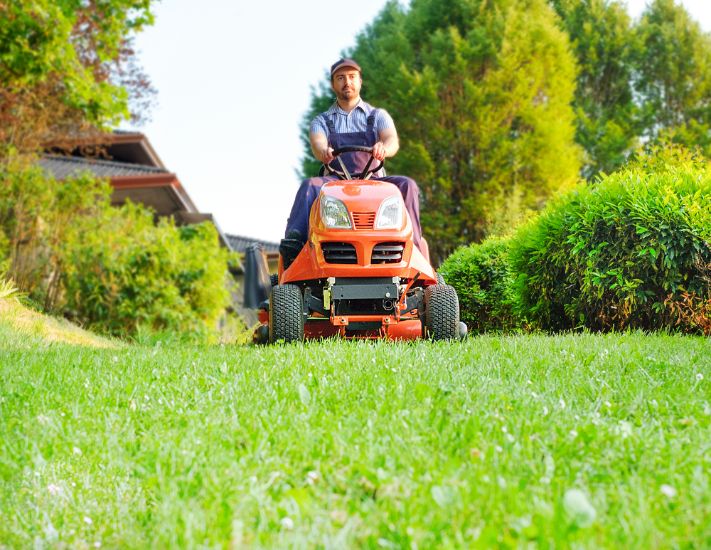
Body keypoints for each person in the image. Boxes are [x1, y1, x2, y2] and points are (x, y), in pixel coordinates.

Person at [281, 58, 422, 265]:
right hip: (335, 182)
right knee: (309, 186)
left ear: (360, 81)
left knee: (407, 185)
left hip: (375, 181)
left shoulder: (377, 116)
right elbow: (318, 142)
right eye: (341, 78)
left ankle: (414, 248)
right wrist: (324, 151)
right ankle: (296, 245)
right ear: (333, 84)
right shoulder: (322, 121)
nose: (347, 82)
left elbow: (391, 139)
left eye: (351, 77)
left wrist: (384, 148)